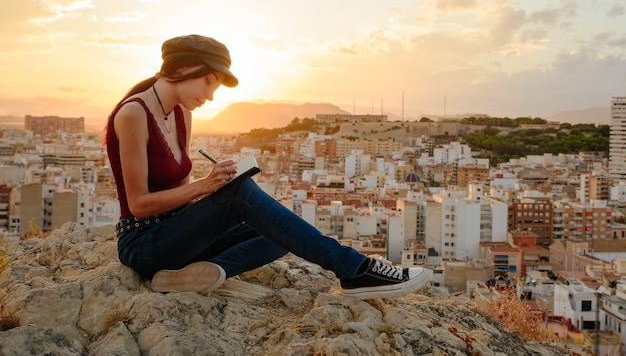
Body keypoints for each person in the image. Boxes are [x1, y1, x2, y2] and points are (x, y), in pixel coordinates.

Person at [106, 34, 432, 300]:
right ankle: (356, 270)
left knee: (280, 228)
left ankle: (193, 275)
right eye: (208, 83)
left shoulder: (181, 113)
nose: (210, 95)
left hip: (177, 240)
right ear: (182, 69)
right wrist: (207, 186)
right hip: (144, 245)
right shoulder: (133, 114)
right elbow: (139, 205)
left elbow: (181, 193)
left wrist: (211, 184)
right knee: (245, 197)